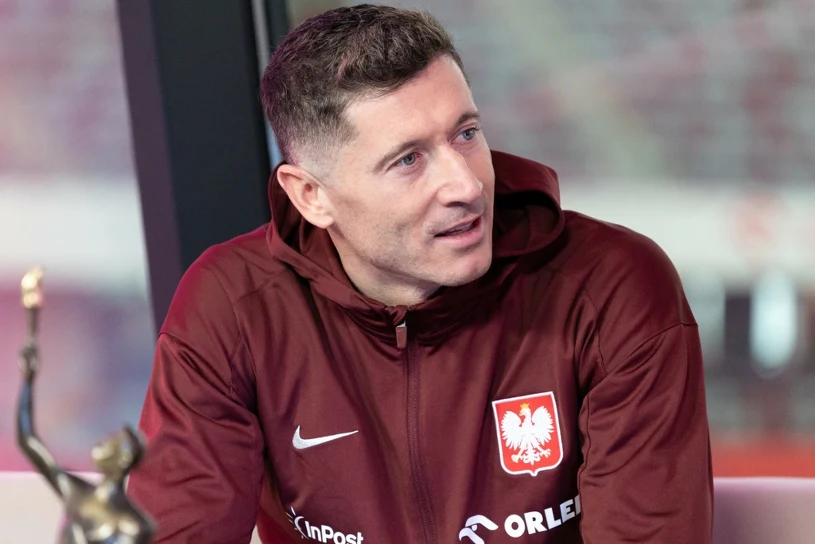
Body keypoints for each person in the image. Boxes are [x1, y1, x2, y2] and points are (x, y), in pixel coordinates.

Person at [127, 4, 713, 543]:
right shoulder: (233, 306)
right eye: (408, 160)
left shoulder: (612, 287)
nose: (466, 185)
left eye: (466, 134)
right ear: (310, 196)